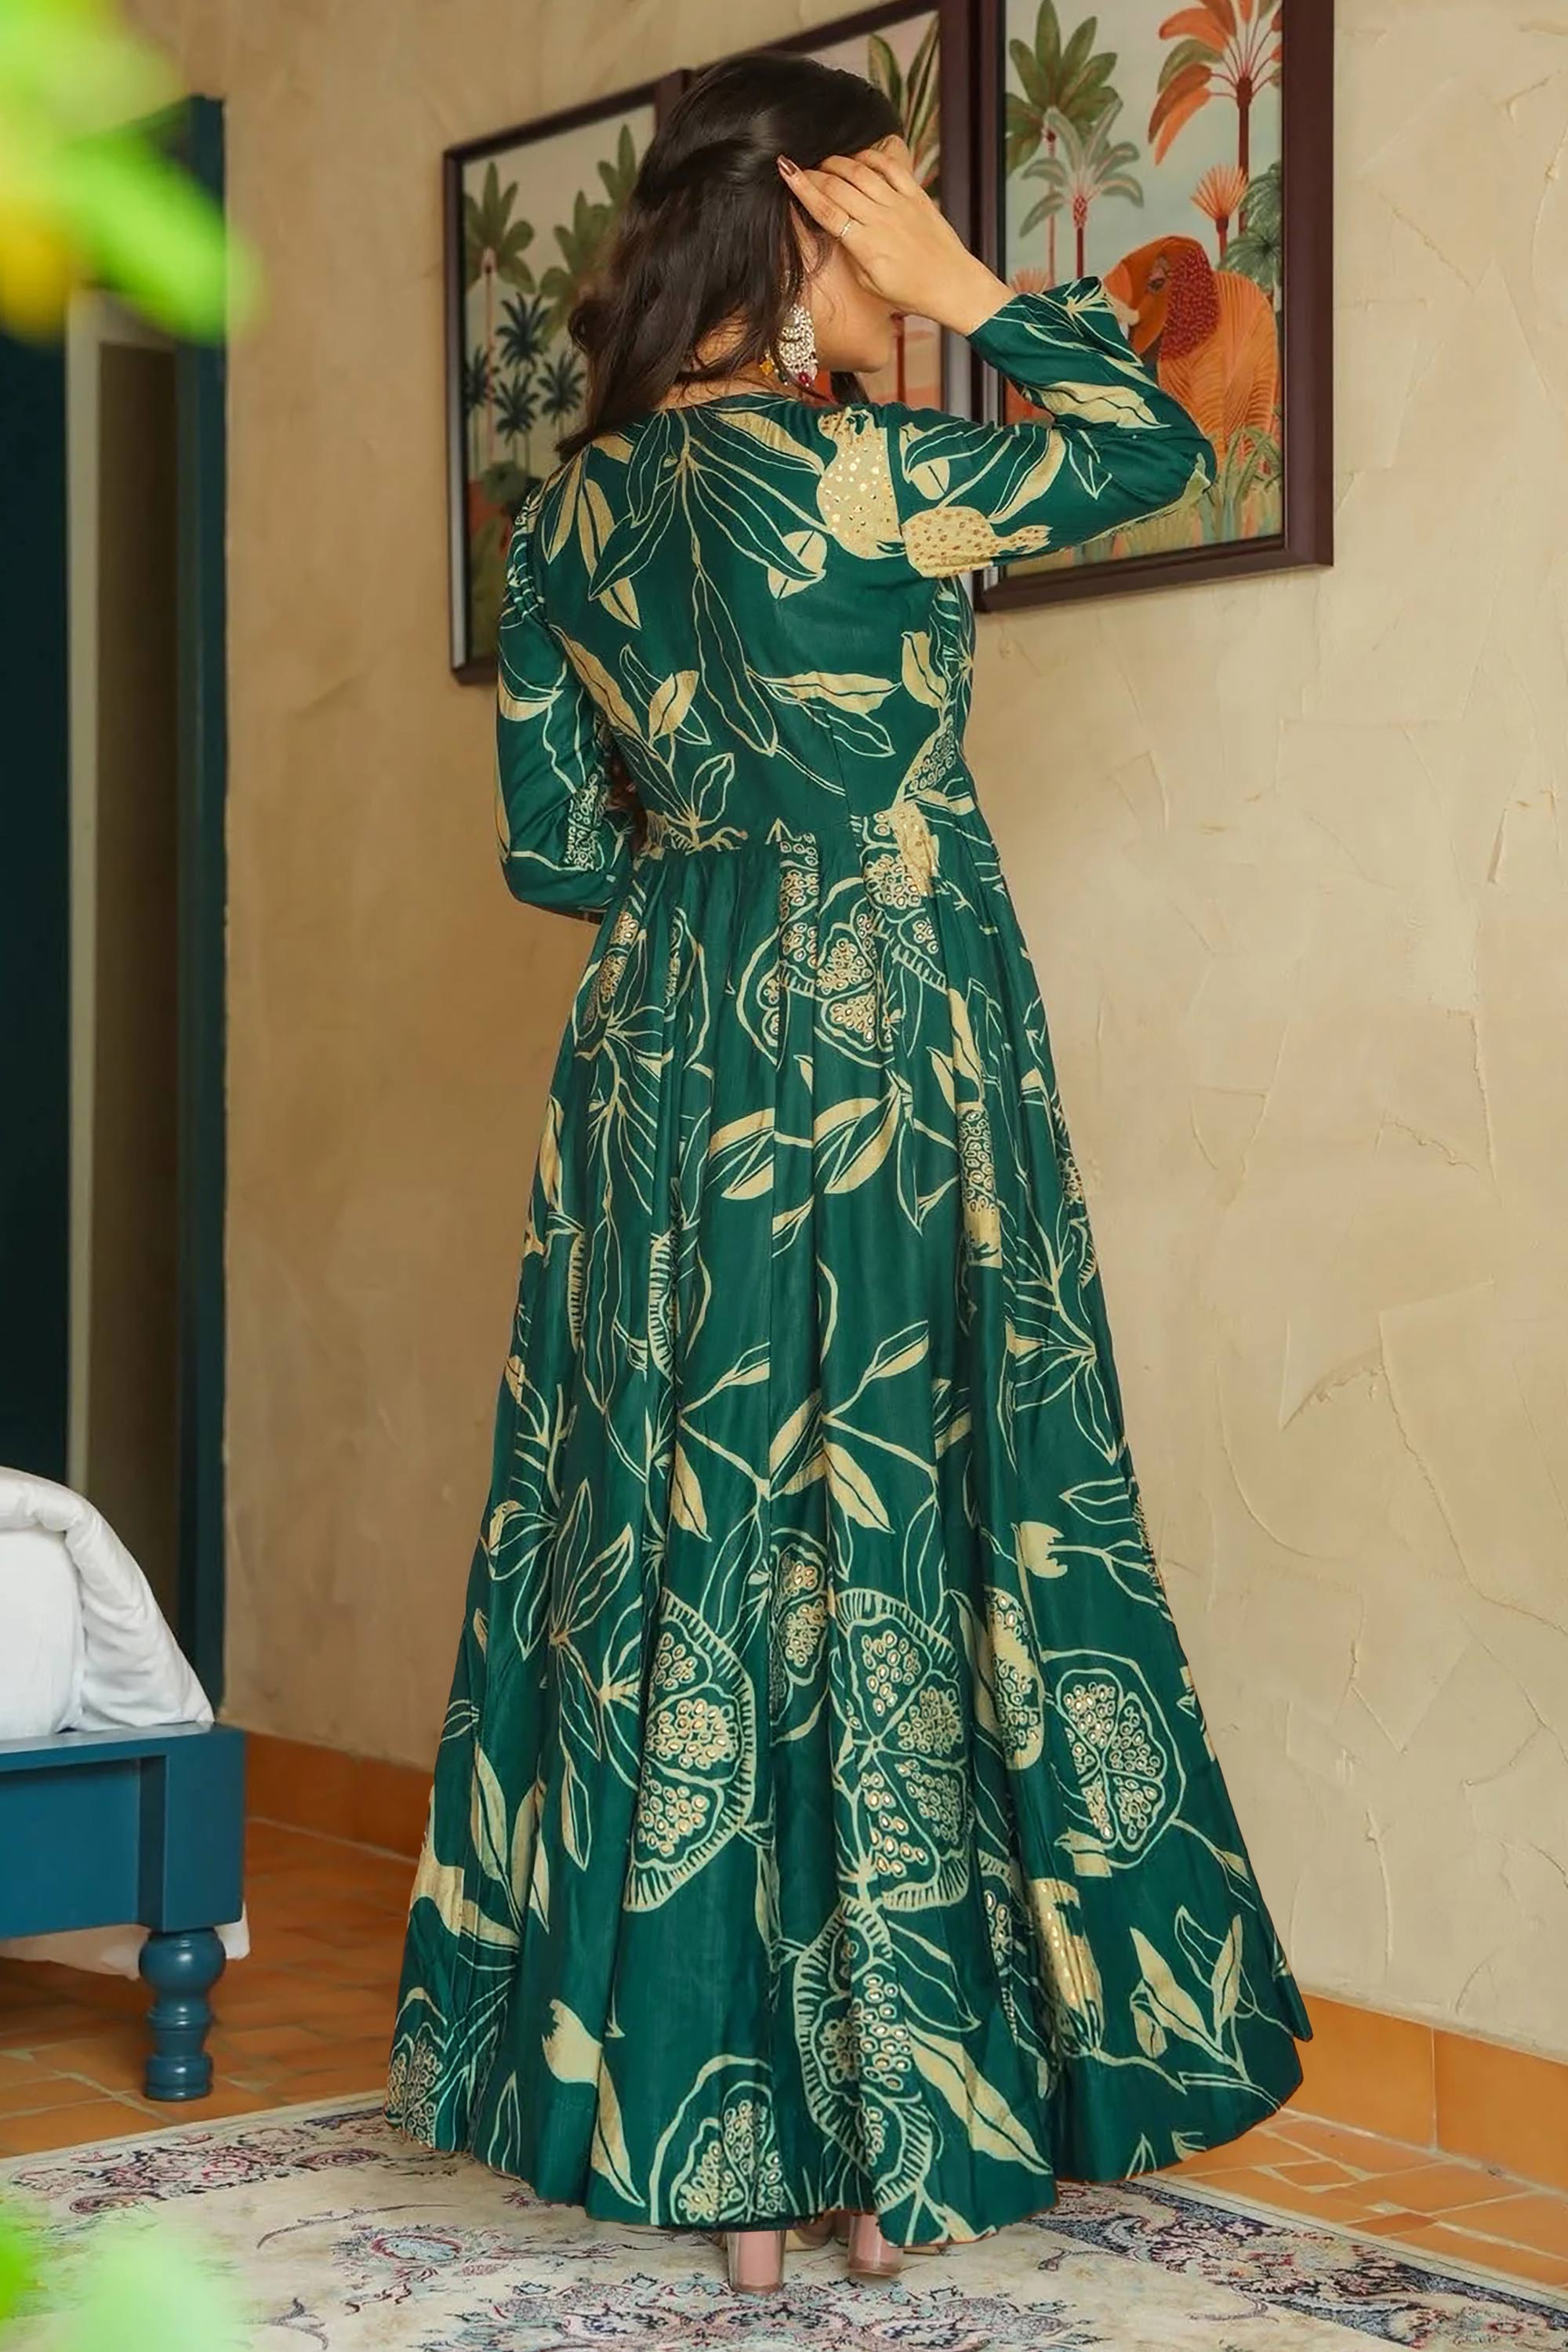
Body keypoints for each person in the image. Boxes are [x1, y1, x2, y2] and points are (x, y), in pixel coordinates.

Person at [386, 48, 1312, 2299]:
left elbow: (550, 852)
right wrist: (983, 296)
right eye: (888, 210)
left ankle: (722, 2149)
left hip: (663, 1057)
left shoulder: (565, 519)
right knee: (907, 1517)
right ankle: (902, 2137)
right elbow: (1163, 447)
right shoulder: (864, 476)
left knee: (690, 1534)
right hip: (894, 1031)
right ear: (809, 224)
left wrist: (714, 852)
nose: (914, 255)